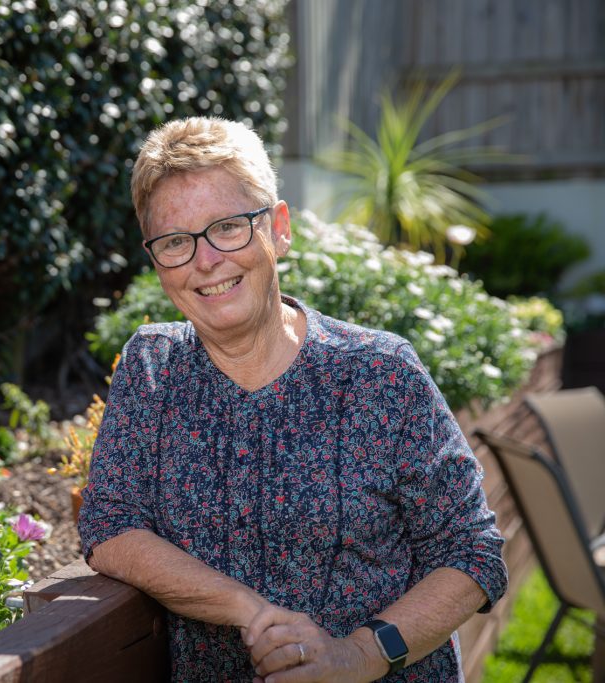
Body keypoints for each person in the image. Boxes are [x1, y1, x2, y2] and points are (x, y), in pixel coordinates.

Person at [77, 116, 507, 682]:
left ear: (278, 229)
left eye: (228, 227)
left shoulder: (379, 372)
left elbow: (471, 552)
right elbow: (109, 525)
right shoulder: (153, 368)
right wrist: (251, 612)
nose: (206, 261)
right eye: (176, 241)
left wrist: (356, 656)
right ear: (156, 260)